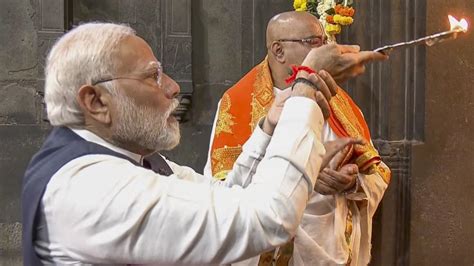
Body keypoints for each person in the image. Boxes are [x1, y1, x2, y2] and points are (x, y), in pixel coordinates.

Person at [21, 22, 359, 265]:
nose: (171, 87)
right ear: (95, 101)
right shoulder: (88, 186)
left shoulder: (129, 162)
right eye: (151, 76)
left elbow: (227, 198)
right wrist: (305, 91)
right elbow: (267, 219)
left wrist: (269, 129)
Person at [205, 11, 391, 265]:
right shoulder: (238, 104)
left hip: (329, 248)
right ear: (278, 50)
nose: (327, 49)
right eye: (314, 42)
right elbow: (227, 191)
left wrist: (352, 183)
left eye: (324, 40)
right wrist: (308, 176)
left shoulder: (343, 105)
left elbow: (378, 173)